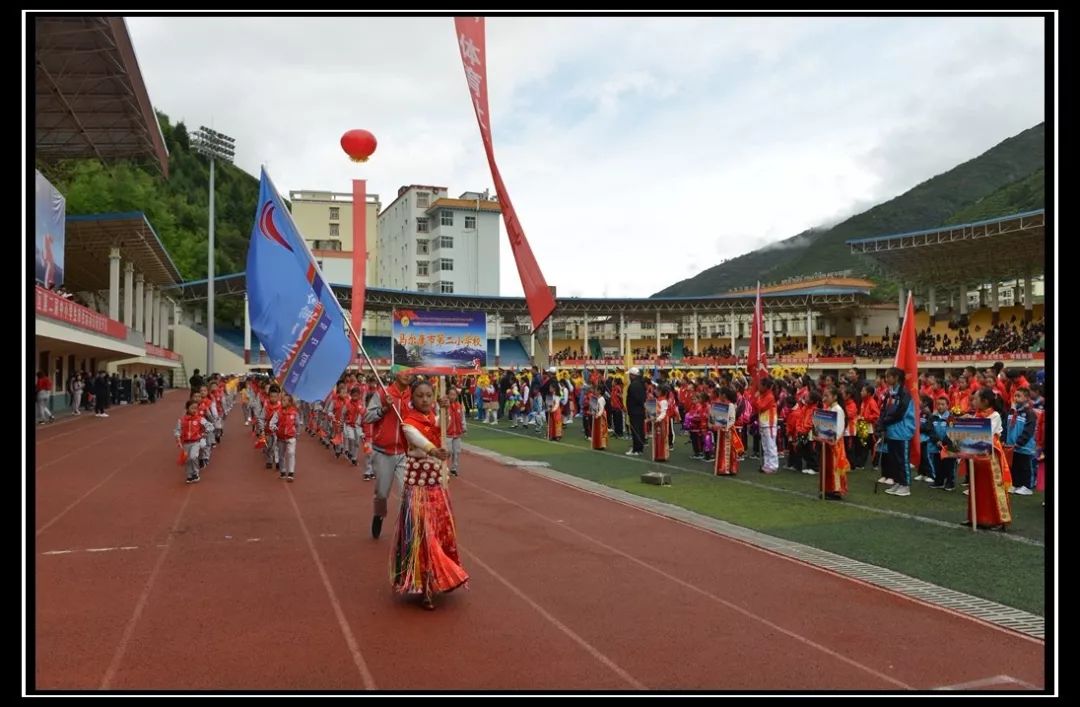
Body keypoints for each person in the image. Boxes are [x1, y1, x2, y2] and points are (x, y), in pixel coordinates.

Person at [391, 379, 469, 610]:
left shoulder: (433, 418)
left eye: (428, 396)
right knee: (422, 534)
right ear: (412, 399)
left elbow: (441, 425)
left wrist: (445, 407)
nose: (425, 400)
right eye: (420, 396)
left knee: (441, 529)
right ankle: (424, 583)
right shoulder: (408, 422)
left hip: (437, 486)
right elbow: (417, 439)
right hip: (418, 489)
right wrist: (433, 450)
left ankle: (439, 576)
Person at [364, 370, 413, 539]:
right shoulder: (383, 394)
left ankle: (405, 528)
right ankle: (378, 515)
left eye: (410, 373)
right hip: (383, 452)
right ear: (396, 373)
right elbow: (367, 417)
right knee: (382, 493)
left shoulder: (413, 395)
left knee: (406, 493)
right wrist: (384, 409)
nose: (408, 375)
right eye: (404, 372)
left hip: (404, 452)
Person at [964, 387, 1013, 530]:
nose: (973, 401)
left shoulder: (995, 415)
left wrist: (969, 424)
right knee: (977, 487)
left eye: (976, 398)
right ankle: (976, 517)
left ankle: (999, 520)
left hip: (991, 457)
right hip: (977, 456)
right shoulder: (977, 415)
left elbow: (985, 433)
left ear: (985, 401)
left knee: (994, 488)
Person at [877, 367, 915, 497]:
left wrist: (885, 421)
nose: (886, 379)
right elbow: (884, 409)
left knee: (902, 460)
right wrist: (881, 423)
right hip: (892, 431)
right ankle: (898, 482)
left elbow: (899, 413)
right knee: (894, 460)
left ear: (896, 378)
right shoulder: (889, 393)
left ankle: (906, 485)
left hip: (902, 432)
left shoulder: (904, 393)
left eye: (889, 377)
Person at [1005, 387, 1037, 496]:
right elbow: (1007, 427)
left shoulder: (1030, 413)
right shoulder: (1012, 411)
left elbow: (1029, 430)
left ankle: (1027, 486)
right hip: (1012, 445)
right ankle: (1016, 484)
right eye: (1015, 396)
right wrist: (1007, 440)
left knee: (1025, 467)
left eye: (1019, 396)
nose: (1016, 398)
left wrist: (1020, 442)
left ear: (1027, 398)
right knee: (1015, 466)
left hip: (1024, 446)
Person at [820, 386, 850, 500]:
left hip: (835, 444)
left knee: (834, 467)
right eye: (824, 395)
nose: (824, 398)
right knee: (827, 466)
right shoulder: (830, 408)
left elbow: (840, 428)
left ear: (835, 397)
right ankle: (828, 488)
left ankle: (836, 490)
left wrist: (833, 440)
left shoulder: (838, 409)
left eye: (827, 396)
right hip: (827, 442)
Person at [175, 399, 210, 484]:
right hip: (186, 443)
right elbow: (177, 430)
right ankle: (189, 475)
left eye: (196, 408)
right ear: (187, 409)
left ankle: (195, 473)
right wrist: (178, 438)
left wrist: (205, 433)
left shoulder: (200, 419)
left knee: (193, 457)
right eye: (192, 408)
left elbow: (209, 426)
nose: (194, 410)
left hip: (196, 442)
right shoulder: (182, 420)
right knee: (187, 460)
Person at [270, 393, 300, 481]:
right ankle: (283, 471)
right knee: (281, 455)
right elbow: (272, 423)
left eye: (284, 400)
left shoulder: (294, 413)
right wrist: (275, 429)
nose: (282, 402)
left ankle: (291, 473)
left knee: (291, 453)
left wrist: (297, 434)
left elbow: (297, 424)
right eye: (282, 400)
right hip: (281, 438)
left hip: (291, 437)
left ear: (289, 402)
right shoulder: (278, 412)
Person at [445, 387, 466, 477]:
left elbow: (462, 418)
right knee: (448, 451)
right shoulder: (444, 406)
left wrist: (464, 427)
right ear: (447, 395)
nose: (453, 396)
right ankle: (443, 467)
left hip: (457, 432)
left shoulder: (459, 406)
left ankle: (454, 468)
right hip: (447, 433)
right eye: (451, 394)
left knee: (456, 452)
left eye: (454, 394)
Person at [625, 368, 647, 456]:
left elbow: (636, 398)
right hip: (639, 411)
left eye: (630, 375)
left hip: (635, 411)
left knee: (636, 430)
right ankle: (639, 448)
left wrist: (630, 407)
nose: (629, 376)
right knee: (640, 430)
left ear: (633, 375)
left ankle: (636, 449)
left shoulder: (634, 385)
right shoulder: (641, 383)